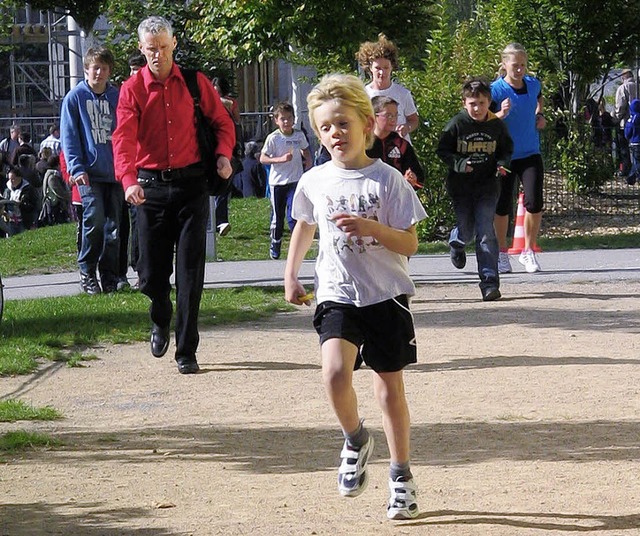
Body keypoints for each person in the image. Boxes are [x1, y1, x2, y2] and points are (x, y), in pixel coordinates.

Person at [284, 73, 426, 520]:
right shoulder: (314, 181)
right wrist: (290, 274)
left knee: (388, 392)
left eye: (343, 123)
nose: (335, 134)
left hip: (385, 296)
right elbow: (305, 225)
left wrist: (371, 229)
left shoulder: (387, 181)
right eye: (325, 127)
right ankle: (355, 439)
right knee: (333, 375)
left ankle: (401, 475)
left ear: (367, 123)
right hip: (337, 293)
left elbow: (409, 244)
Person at [112, 15, 235, 375]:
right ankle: (160, 313)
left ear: (174, 44)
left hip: (191, 186)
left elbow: (222, 123)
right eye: (151, 49)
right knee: (150, 272)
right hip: (148, 188)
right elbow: (122, 139)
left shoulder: (195, 83)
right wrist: (128, 180)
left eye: (164, 48)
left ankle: (187, 349)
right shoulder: (132, 89)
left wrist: (224, 154)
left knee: (190, 272)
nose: (158, 55)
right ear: (141, 49)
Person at [436, 77, 513, 301]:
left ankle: (489, 283)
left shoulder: (496, 125)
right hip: (462, 188)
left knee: (485, 232)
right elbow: (443, 150)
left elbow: (506, 150)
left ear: (489, 102)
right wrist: (460, 164)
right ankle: (457, 242)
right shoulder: (457, 124)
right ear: (464, 103)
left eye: (481, 103)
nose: (477, 108)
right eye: (472, 103)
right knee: (467, 231)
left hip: (488, 186)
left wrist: (502, 165)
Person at [60, 46, 122, 295]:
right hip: (88, 173)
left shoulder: (116, 97)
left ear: (109, 71)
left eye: (104, 68)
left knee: (114, 228)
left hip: (115, 172)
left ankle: (109, 275)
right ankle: (87, 271)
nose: (99, 72)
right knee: (94, 221)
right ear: (86, 69)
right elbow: (70, 137)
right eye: (95, 68)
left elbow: (125, 132)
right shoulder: (75, 98)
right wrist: (76, 168)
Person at [491, 42, 546, 274]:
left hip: (530, 152)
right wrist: (499, 114)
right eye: (515, 65)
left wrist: (539, 114)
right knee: (502, 205)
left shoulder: (533, 84)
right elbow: (481, 117)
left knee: (534, 202)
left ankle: (528, 250)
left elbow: (539, 99)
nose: (520, 69)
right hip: (504, 155)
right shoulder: (495, 90)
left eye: (523, 65)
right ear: (504, 65)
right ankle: (502, 253)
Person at [260, 101, 311, 259]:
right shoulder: (273, 138)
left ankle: (296, 248)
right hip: (277, 183)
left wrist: (308, 163)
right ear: (276, 120)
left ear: (294, 119)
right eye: (283, 119)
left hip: (295, 181)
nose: (287, 122)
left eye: (289, 118)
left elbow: (306, 150)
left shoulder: (298, 135)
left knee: (293, 215)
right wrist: (280, 159)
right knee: (278, 216)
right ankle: (275, 242)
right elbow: (263, 158)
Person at [356, 34, 419, 142]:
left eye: (386, 67)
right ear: (370, 68)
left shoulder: (403, 94)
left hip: (399, 150)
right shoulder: (362, 95)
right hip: (371, 149)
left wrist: (406, 128)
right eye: (378, 68)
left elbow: (413, 120)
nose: (382, 72)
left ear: (392, 67)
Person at [367, 95, 424, 190]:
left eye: (396, 115)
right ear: (373, 117)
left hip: (396, 197)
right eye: (388, 115)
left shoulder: (401, 144)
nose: (393, 119)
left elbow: (419, 179)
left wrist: (412, 179)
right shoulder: (361, 144)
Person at [614, 68, 638, 179]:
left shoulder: (623, 88)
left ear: (624, 76)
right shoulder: (637, 86)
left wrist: (616, 118)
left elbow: (620, 106)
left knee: (624, 148)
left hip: (626, 122)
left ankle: (626, 169)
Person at [2, 166, 38, 235]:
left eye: (13, 179)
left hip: (24, 220)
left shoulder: (28, 189)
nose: (11, 181)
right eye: (10, 179)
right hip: (10, 221)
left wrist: (21, 204)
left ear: (19, 177)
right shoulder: (7, 190)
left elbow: (34, 205)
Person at [624, 98, 640, 186]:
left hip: (635, 142)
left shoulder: (632, 118)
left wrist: (628, 137)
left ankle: (631, 178)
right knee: (637, 162)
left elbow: (628, 131)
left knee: (636, 161)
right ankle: (633, 178)